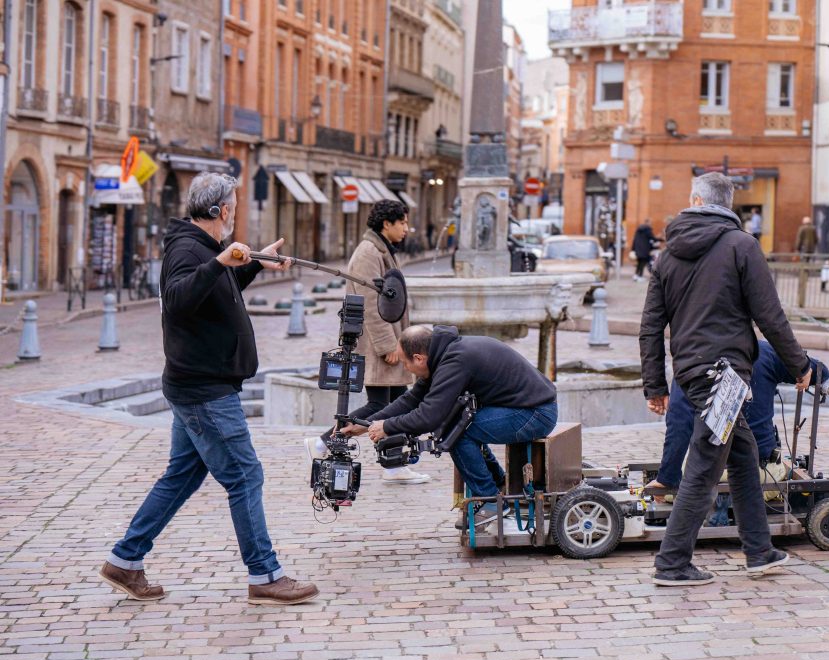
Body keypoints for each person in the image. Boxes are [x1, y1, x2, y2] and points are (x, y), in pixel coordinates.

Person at [100, 172, 319, 605]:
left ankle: (125, 561)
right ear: (220, 210)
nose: (235, 215)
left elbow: (218, 288)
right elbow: (180, 299)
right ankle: (265, 574)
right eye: (233, 207)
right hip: (204, 389)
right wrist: (219, 262)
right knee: (244, 474)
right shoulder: (188, 249)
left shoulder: (204, 249)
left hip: (198, 384)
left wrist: (255, 262)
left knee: (183, 474)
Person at [639, 172, 811, 587]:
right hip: (727, 378)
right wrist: (800, 364)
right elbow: (769, 316)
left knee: (742, 458)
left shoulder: (667, 255)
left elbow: (650, 326)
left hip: (694, 373)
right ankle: (672, 563)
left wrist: (656, 385)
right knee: (702, 468)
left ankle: (759, 550)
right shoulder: (742, 246)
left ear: (695, 199)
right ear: (728, 205)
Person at [343, 325, 559, 528]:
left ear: (418, 358)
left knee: (457, 434)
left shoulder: (455, 361)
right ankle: (498, 484)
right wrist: (367, 425)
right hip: (525, 408)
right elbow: (412, 400)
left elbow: (429, 417)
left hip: (535, 414)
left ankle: (490, 500)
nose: (404, 367)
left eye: (404, 362)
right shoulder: (443, 354)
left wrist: (388, 427)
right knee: (460, 428)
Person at [305, 200, 430, 484]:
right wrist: (388, 346)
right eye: (403, 223)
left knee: (398, 404)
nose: (407, 229)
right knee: (378, 406)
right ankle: (324, 443)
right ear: (387, 224)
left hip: (390, 344)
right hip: (379, 347)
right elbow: (371, 304)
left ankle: (394, 465)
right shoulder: (368, 253)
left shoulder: (381, 249)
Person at [649, 340, 829, 494]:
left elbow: (679, 426)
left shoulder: (691, 361)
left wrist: (666, 479)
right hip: (761, 473)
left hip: (704, 472)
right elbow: (822, 372)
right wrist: (801, 370)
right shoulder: (765, 351)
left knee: (680, 482)